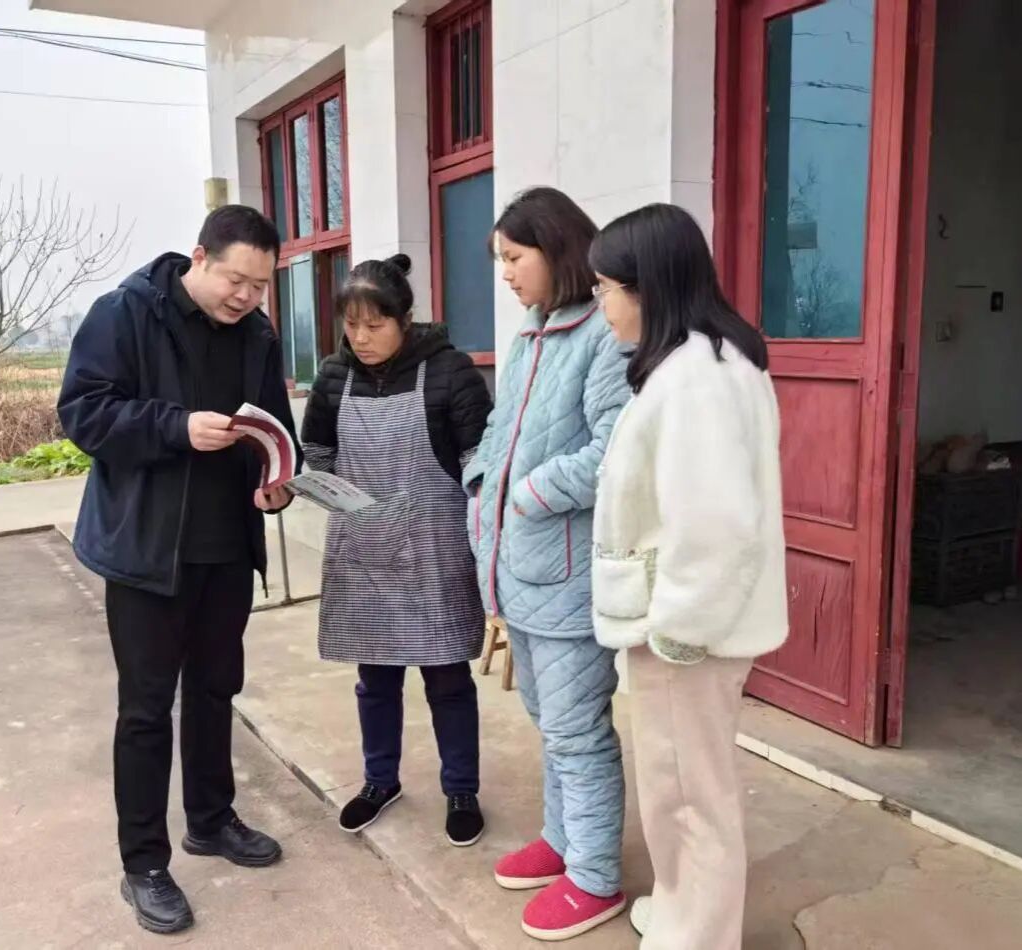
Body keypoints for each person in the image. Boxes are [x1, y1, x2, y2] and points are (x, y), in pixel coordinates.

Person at [57, 205, 301, 936]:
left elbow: (275, 427)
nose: (246, 297)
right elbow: (83, 413)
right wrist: (175, 427)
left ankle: (211, 819)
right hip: (147, 550)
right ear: (199, 258)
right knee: (145, 709)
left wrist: (278, 482)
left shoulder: (257, 334)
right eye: (235, 280)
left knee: (216, 689)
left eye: (260, 285)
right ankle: (144, 865)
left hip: (226, 544)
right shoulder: (127, 312)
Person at [588, 203, 788, 949]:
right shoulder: (709, 361)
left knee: (690, 793)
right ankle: (680, 910)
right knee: (679, 785)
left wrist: (679, 628)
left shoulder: (697, 377)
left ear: (648, 286)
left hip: (686, 629)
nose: (601, 304)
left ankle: (697, 935)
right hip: (688, 621)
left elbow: (714, 523)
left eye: (607, 288)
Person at [464, 187, 631, 942]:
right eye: (499, 259)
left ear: (556, 249)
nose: (505, 273)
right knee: (547, 720)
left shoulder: (605, 333)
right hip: (518, 567)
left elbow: (614, 450)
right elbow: (500, 430)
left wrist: (527, 493)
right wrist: (479, 484)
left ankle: (595, 876)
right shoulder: (530, 335)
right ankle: (563, 842)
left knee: (576, 729)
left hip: (567, 573)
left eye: (513, 257)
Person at [300, 254, 493, 846]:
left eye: (374, 325)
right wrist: (302, 480)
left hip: (435, 549)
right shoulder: (334, 376)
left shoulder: (451, 372)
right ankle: (379, 781)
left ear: (405, 320)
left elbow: (479, 464)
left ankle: (461, 788)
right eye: (350, 325)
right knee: (375, 679)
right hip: (365, 550)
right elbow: (319, 454)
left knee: (448, 679)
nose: (360, 338)